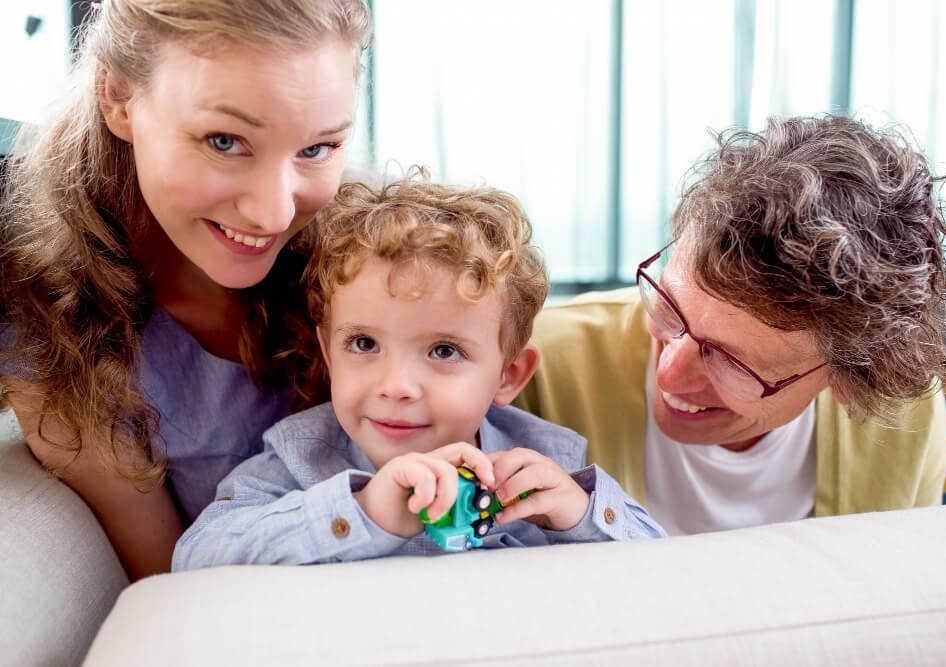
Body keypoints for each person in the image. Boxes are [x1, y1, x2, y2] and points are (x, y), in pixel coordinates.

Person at [0, 0, 371, 579]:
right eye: (225, 141)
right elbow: (174, 581)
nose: (275, 212)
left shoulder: (369, 250)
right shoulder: (49, 311)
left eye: (316, 148)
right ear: (118, 97)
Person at [516, 115, 946, 535]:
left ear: (854, 378)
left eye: (732, 360)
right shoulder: (532, 367)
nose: (669, 374)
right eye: (670, 308)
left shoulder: (903, 424)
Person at [172, 175, 664, 569]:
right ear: (328, 350)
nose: (397, 388)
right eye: (364, 343)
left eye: (444, 351)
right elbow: (197, 556)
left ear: (509, 375)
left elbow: (667, 567)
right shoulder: (297, 462)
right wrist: (365, 513)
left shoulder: (539, 465)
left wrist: (579, 516)